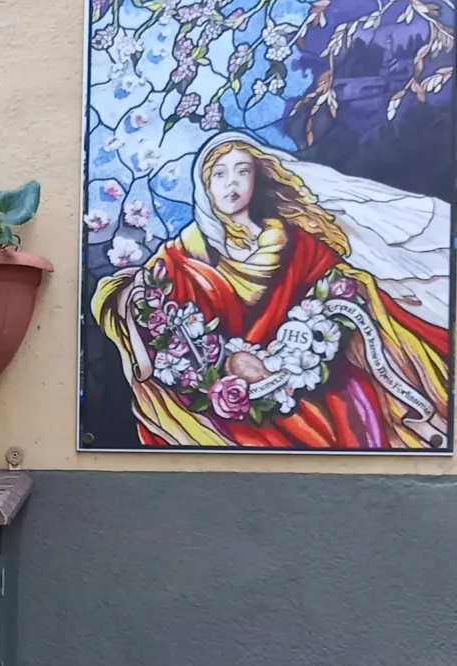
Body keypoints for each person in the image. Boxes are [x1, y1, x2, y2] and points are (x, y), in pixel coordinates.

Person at [92, 132, 449, 449]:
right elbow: (139, 299)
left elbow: (340, 285)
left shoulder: (294, 241)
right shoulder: (182, 255)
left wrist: (308, 332)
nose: (232, 183)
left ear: (257, 177)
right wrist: (127, 297)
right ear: (205, 185)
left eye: (242, 172)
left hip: (307, 377)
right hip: (233, 396)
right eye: (220, 174)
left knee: (353, 407)